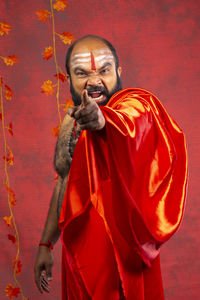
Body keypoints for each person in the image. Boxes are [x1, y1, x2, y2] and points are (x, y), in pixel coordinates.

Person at [34, 35, 188, 300]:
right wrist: (46, 244)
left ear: (118, 71)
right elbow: (64, 182)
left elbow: (132, 123)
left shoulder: (136, 105)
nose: (94, 81)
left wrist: (100, 118)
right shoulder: (70, 125)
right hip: (79, 253)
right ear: (69, 78)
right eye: (81, 73)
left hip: (122, 255)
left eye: (104, 70)